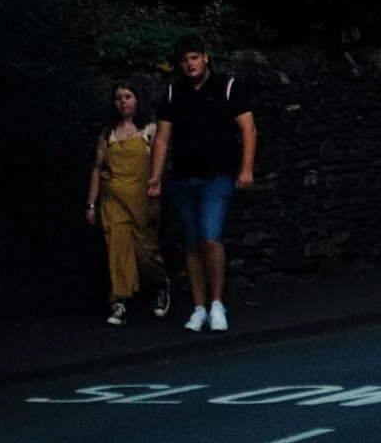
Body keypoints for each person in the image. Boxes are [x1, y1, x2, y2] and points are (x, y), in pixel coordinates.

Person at [154, 41, 255, 333]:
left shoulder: (226, 87)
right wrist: (155, 176)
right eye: (185, 60)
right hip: (183, 178)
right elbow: (161, 137)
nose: (190, 64)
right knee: (192, 242)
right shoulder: (174, 93)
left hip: (217, 176)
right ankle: (199, 308)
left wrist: (246, 170)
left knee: (210, 237)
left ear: (205, 58)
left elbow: (248, 128)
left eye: (195, 58)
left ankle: (217, 303)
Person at [86, 81, 161, 324]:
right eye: (119, 98)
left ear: (137, 99)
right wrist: (91, 204)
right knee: (117, 248)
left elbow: (158, 168)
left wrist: (155, 199)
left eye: (128, 96)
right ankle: (119, 302)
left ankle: (160, 284)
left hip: (140, 198)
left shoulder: (150, 130)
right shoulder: (108, 134)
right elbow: (97, 169)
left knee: (144, 252)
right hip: (113, 199)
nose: (123, 102)